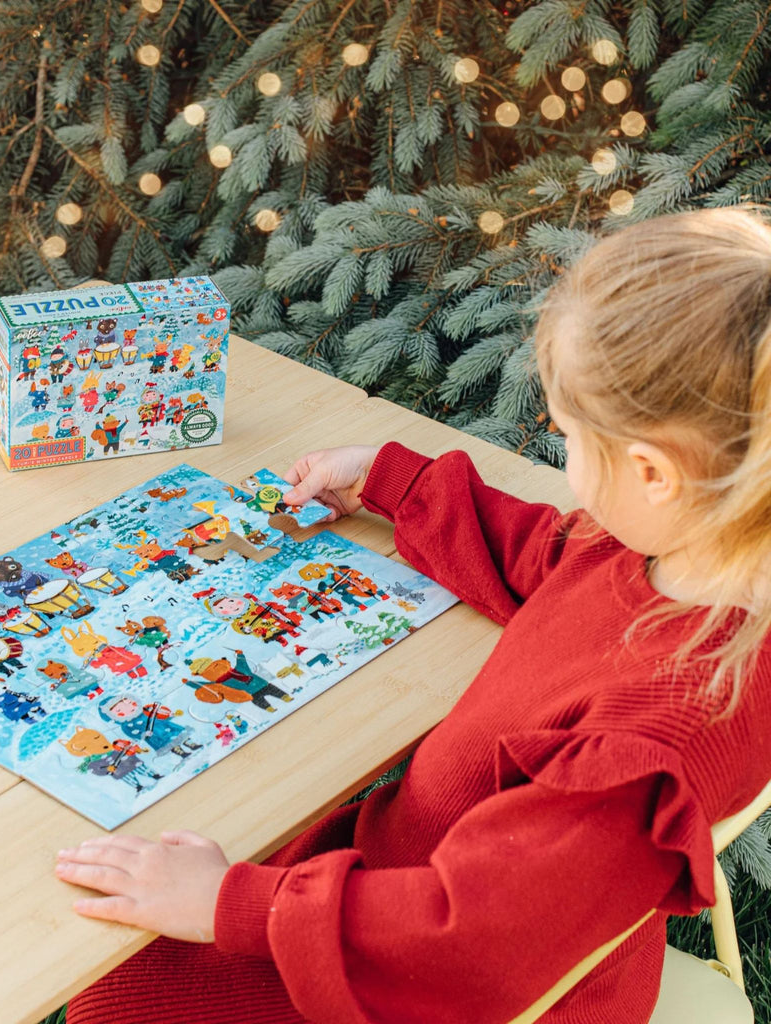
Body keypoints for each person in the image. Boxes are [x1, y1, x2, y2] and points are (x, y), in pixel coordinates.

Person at [54, 207, 771, 1024]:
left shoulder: (645, 751)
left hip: (449, 974)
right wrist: (391, 484)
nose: (561, 461)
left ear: (653, 473)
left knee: (121, 998)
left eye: (567, 437)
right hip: (424, 878)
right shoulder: (682, 553)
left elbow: (474, 952)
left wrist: (231, 904)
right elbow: (555, 559)